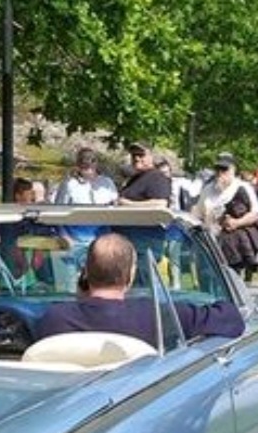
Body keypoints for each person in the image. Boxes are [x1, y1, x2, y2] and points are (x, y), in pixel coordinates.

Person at [34, 232, 245, 343]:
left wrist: (81, 295)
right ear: (132, 274)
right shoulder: (157, 315)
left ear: (85, 271)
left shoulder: (54, 318)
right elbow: (232, 318)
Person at [53, 147, 119, 290]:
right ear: (78, 165)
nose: (88, 167)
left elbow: (114, 209)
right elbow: (56, 213)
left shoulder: (106, 183)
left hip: (100, 240)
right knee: (71, 285)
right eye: (84, 163)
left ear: (96, 163)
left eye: (91, 162)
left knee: (98, 282)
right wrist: (64, 236)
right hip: (73, 240)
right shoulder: (69, 184)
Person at [193, 154, 258, 282]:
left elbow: (255, 214)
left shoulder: (243, 188)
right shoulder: (207, 190)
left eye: (224, 170)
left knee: (231, 283)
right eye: (218, 170)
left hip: (233, 246)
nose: (220, 173)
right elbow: (198, 214)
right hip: (211, 242)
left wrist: (237, 222)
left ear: (233, 170)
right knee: (208, 282)